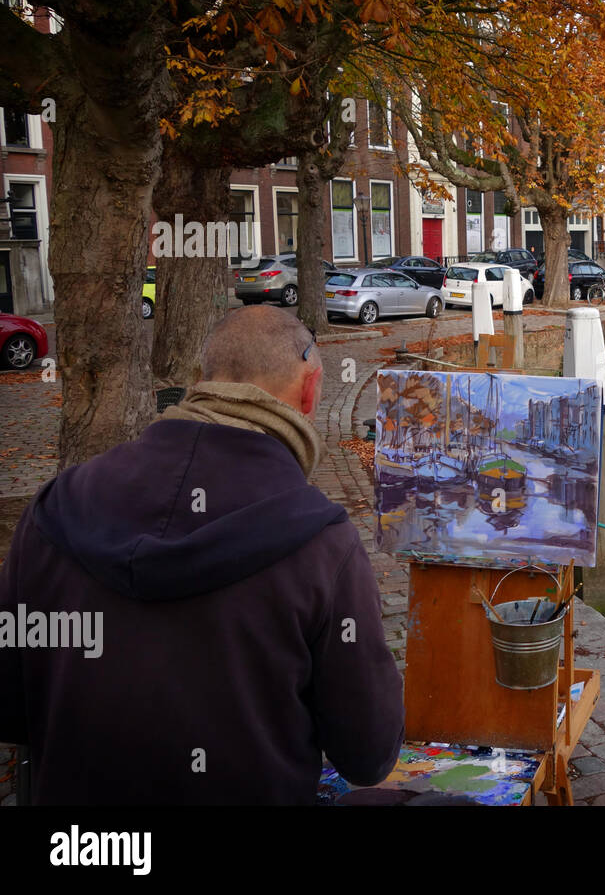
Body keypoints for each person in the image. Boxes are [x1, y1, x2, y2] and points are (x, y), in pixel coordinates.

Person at [0, 305, 403, 804]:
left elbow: (12, 709)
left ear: (199, 382)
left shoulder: (56, 505)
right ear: (311, 388)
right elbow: (367, 753)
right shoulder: (322, 541)